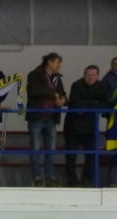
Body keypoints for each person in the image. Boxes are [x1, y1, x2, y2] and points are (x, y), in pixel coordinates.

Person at [63, 65, 109, 187]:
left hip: (90, 128)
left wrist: (87, 105)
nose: (90, 77)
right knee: (71, 157)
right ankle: (72, 182)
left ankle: (87, 182)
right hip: (73, 128)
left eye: (93, 75)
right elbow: (75, 104)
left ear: (97, 76)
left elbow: (106, 105)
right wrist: (94, 102)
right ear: (84, 75)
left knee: (91, 156)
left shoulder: (102, 86)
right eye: (88, 75)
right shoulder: (76, 85)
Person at [26, 53, 66, 187]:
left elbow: (63, 94)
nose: (59, 66)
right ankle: (37, 176)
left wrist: (63, 100)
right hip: (37, 117)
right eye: (57, 63)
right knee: (36, 149)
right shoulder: (34, 75)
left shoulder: (57, 78)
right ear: (50, 62)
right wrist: (54, 95)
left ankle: (49, 176)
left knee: (51, 150)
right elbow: (35, 91)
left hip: (51, 118)